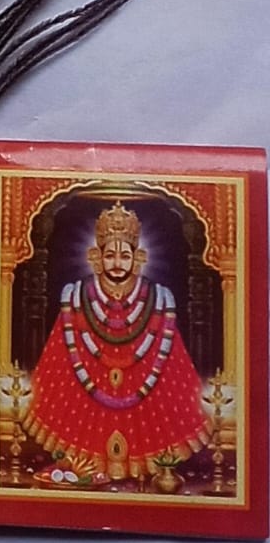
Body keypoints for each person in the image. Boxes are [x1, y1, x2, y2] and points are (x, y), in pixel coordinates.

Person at [22, 202, 211, 482]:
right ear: (96, 257)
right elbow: (58, 362)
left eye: (125, 256)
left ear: (138, 257)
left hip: (147, 405)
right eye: (110, 255)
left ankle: (150, 466)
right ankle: (87, 463)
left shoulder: (158, 300)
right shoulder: (75, 298)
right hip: (83, 405)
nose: (118, 264)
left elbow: (174, 369)